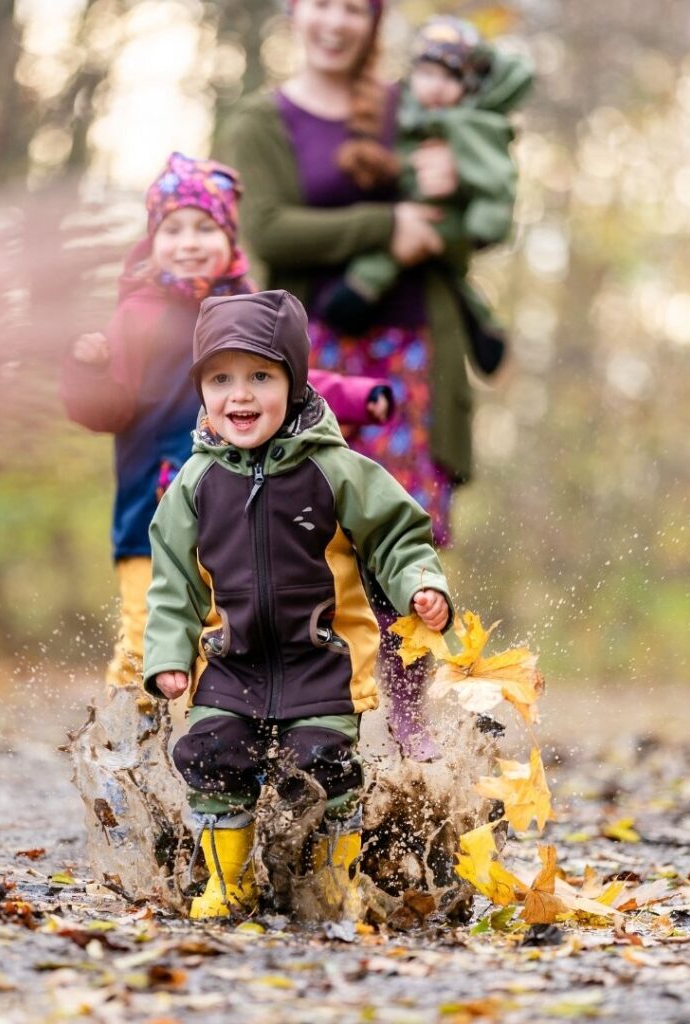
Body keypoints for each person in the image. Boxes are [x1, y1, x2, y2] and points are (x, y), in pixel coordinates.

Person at [216, 0, 527, 760]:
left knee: (403, 538)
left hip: (414, 353)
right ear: (295, 11)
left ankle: (414, 740)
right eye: (323, 3)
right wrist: (386, 226)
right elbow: (267, 232)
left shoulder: (409, 106)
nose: (337, 21)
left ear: (374, 20)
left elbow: (472, 218)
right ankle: (309, 726)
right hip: (311, 354)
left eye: (356, 7)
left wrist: (456, 183)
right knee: (303, 537)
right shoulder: (263, 121)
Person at [142, 290, 453, 919]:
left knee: (325, 769)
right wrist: (168, 655)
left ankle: (329, 880)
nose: (240, 396)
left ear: (293, 379)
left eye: (261, 376)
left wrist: (420, 582)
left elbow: (397, 533)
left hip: (323, 665)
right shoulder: (195, 485)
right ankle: (229, 882)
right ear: (201, 388)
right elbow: (173, 580)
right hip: (230, 665)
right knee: (212, 755)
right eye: (221, 379)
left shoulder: (337, 470)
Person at [62, 152, 393, 699]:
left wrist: (359, 396)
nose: (188, 241)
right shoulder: (136, 319)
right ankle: (128, 746)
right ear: (152, 240)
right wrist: (88, 371)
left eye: (204, 227)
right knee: (146, 634)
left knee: (224, 640)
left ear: (230, 239)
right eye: (173, 228)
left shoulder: (252, 313)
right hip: (151, 510)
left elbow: (300, 383)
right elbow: (106, 411)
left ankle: (218, 744)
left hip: (237, 516)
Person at [323, 16, 533, 348]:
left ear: (471, 87)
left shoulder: (472, 124)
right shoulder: (402, 112)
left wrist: (483, 226)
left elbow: (496, 179)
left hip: (446, 218)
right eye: (428, 74)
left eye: (451, 78)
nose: (436, 86)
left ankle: (358, 292)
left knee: (388, 255)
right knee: (446, 273)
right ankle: (483, 325)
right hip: (412, 208)